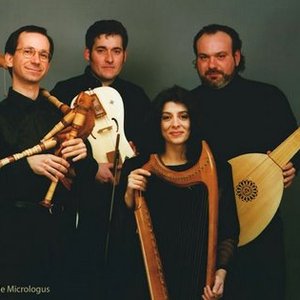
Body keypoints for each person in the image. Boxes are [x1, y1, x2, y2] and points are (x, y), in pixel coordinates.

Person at [191, 24, 300, 300]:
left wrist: (292, 167)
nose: (212, 65)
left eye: (220, 56)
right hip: (208, 232)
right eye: (204, 58)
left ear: (237, 58)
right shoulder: (188, 105)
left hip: (261, 229)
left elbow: (294, 147)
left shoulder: (268, 98)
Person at [50, 19, 151, 299]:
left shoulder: (138, 96)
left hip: (123, 204)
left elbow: (149, 147)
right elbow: (56, 147)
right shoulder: (65, 90)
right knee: (79, 275)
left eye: (116, 51)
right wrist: (91, 170)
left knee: (121, 276)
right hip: (78, 202)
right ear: (87, 53)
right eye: (101, 50)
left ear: (125, 55)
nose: (109, 58)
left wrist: (130, 159)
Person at [113, 86, 239, 300]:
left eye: (183, 117)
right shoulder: (138, 167)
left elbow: (228, 228)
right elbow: (117, 231)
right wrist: (127, 196)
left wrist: (220, 272)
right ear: (158, 123)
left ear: (193, 122)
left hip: (198, 280)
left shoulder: (217, 169)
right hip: (143, 278)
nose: (175, 124)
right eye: (166, 117)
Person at [0, 25, 97, 299]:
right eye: (28, 51)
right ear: (9, 59)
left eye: (43, 54)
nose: (36, 60)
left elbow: (85, 177)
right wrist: (27, 166)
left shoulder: (61, 115)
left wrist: (83, 155)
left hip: (62, 236)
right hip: (12, 238)